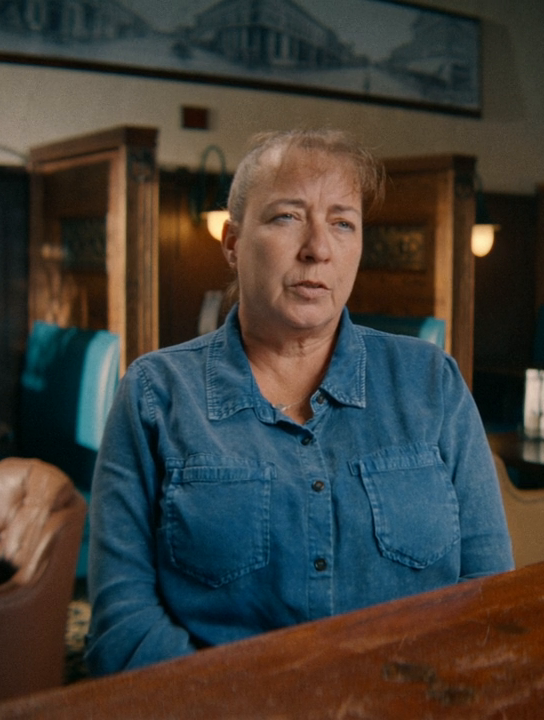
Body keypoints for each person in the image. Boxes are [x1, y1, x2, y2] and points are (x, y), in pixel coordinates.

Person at [84, 128, 514, 676]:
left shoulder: (431, 381)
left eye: (342, 223)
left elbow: (490, 592)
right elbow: (123, 630)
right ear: (232, 243)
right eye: (287, 217)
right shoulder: (155, 393)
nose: (318, 248)